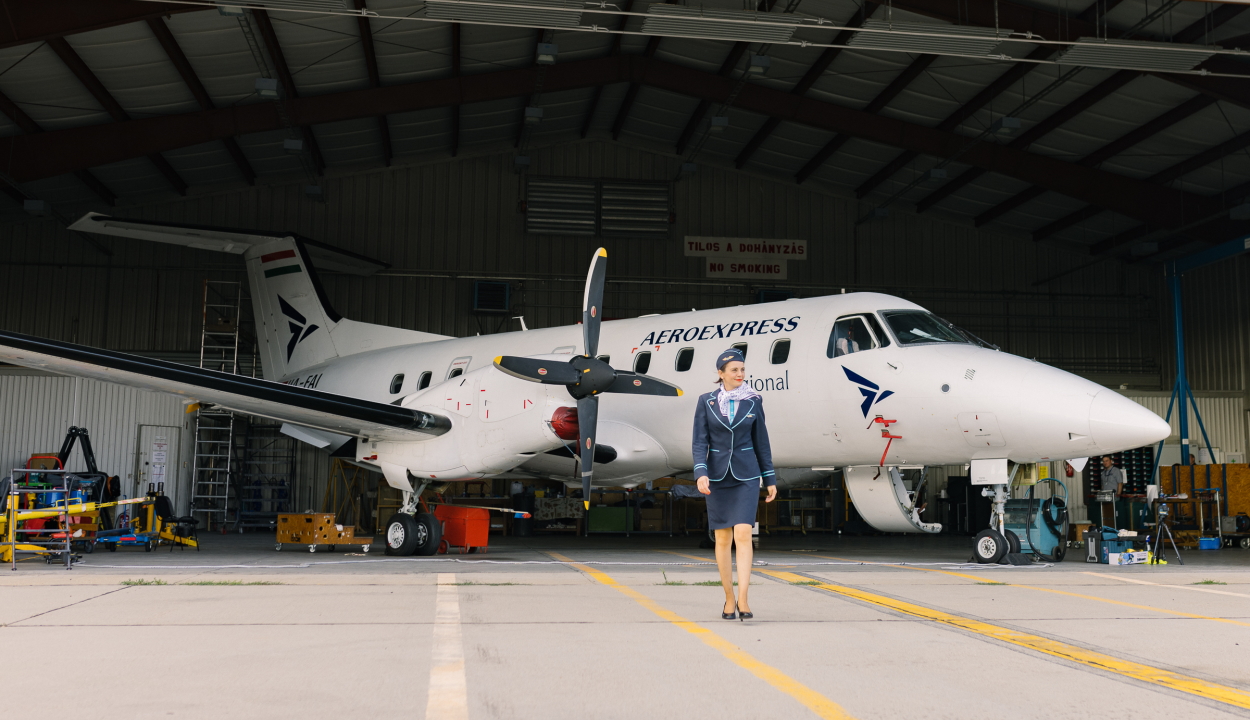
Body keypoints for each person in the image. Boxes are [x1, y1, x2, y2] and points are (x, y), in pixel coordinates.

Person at [692, 348, 777, 621]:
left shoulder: (754, 401)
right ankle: (728, 597)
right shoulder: (706, 402)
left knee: (743, 532)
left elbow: (761, 442)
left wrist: (770, 478)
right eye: (734, 370)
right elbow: (699, 441)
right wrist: (700, 472)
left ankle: (744, 598)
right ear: (721, 374)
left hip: (747, 475)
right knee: (722, 537)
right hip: (716, 476)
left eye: (742, 369)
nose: (740, 374)